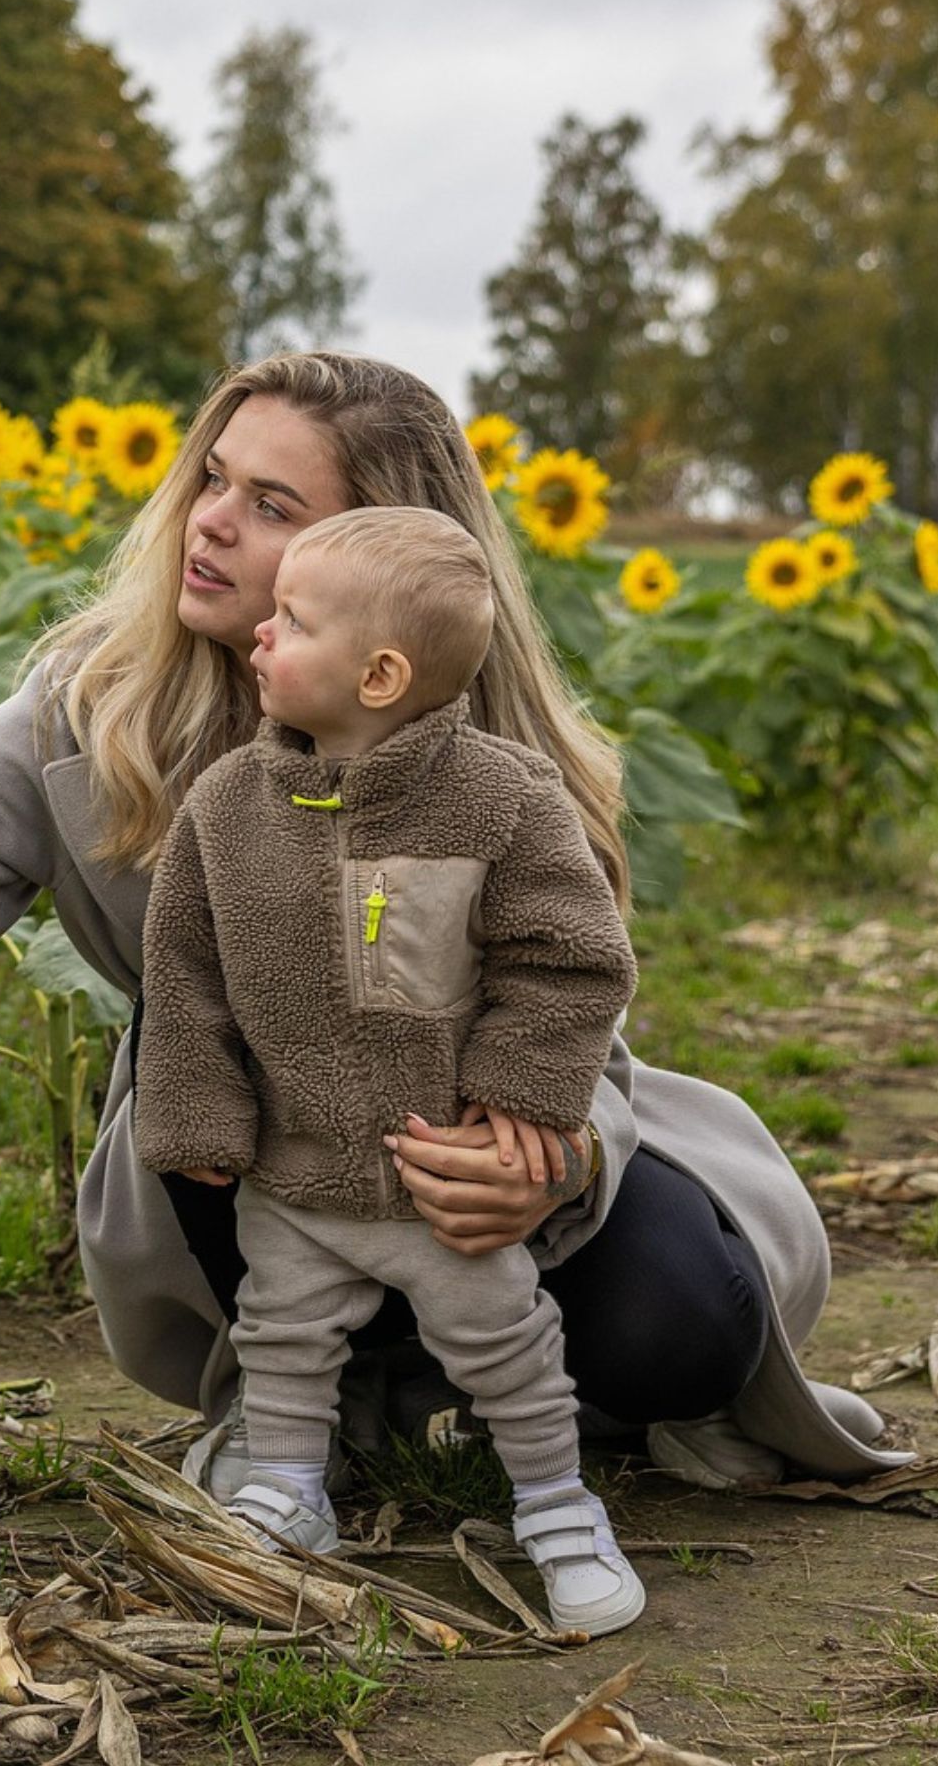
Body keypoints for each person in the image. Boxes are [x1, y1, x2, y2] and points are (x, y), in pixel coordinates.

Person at [0, 350, 908, 1500]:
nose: (211, 519)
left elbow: (570, 998)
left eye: (274, 506)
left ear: (385, 563)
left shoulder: (491, 756)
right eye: (215, 477)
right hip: (247, 1166)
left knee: (684, 1326)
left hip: (473, 1151)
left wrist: (551, 1153)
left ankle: (488, 1383)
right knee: (213, 1043)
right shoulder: (90, 713)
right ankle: (322, 1397)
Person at [132, 503, 642, 1631]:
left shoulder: (502, 797)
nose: (261, 633)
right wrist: (199, 1115)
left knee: (502, 1336)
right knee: (279, 1329)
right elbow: (183, 976)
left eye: (292, 620)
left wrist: (520, 1095)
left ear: (378, 677)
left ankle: (556, 1503)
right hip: (296, 1163)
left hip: (441, 1170)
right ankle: (286, 1489)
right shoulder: (226, 809)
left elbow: (570, 955)